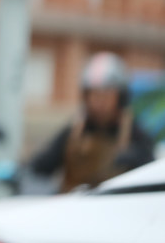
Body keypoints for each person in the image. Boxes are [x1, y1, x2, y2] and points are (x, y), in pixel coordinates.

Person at [28, 52, 155, 192]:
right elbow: (42, 164)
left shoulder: (134, 134)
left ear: (120, 97)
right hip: (73, 208)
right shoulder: (75, 130)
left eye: (106, 95)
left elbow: (150, 175)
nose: (99, 102)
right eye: (94, 94)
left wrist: (135, 158)